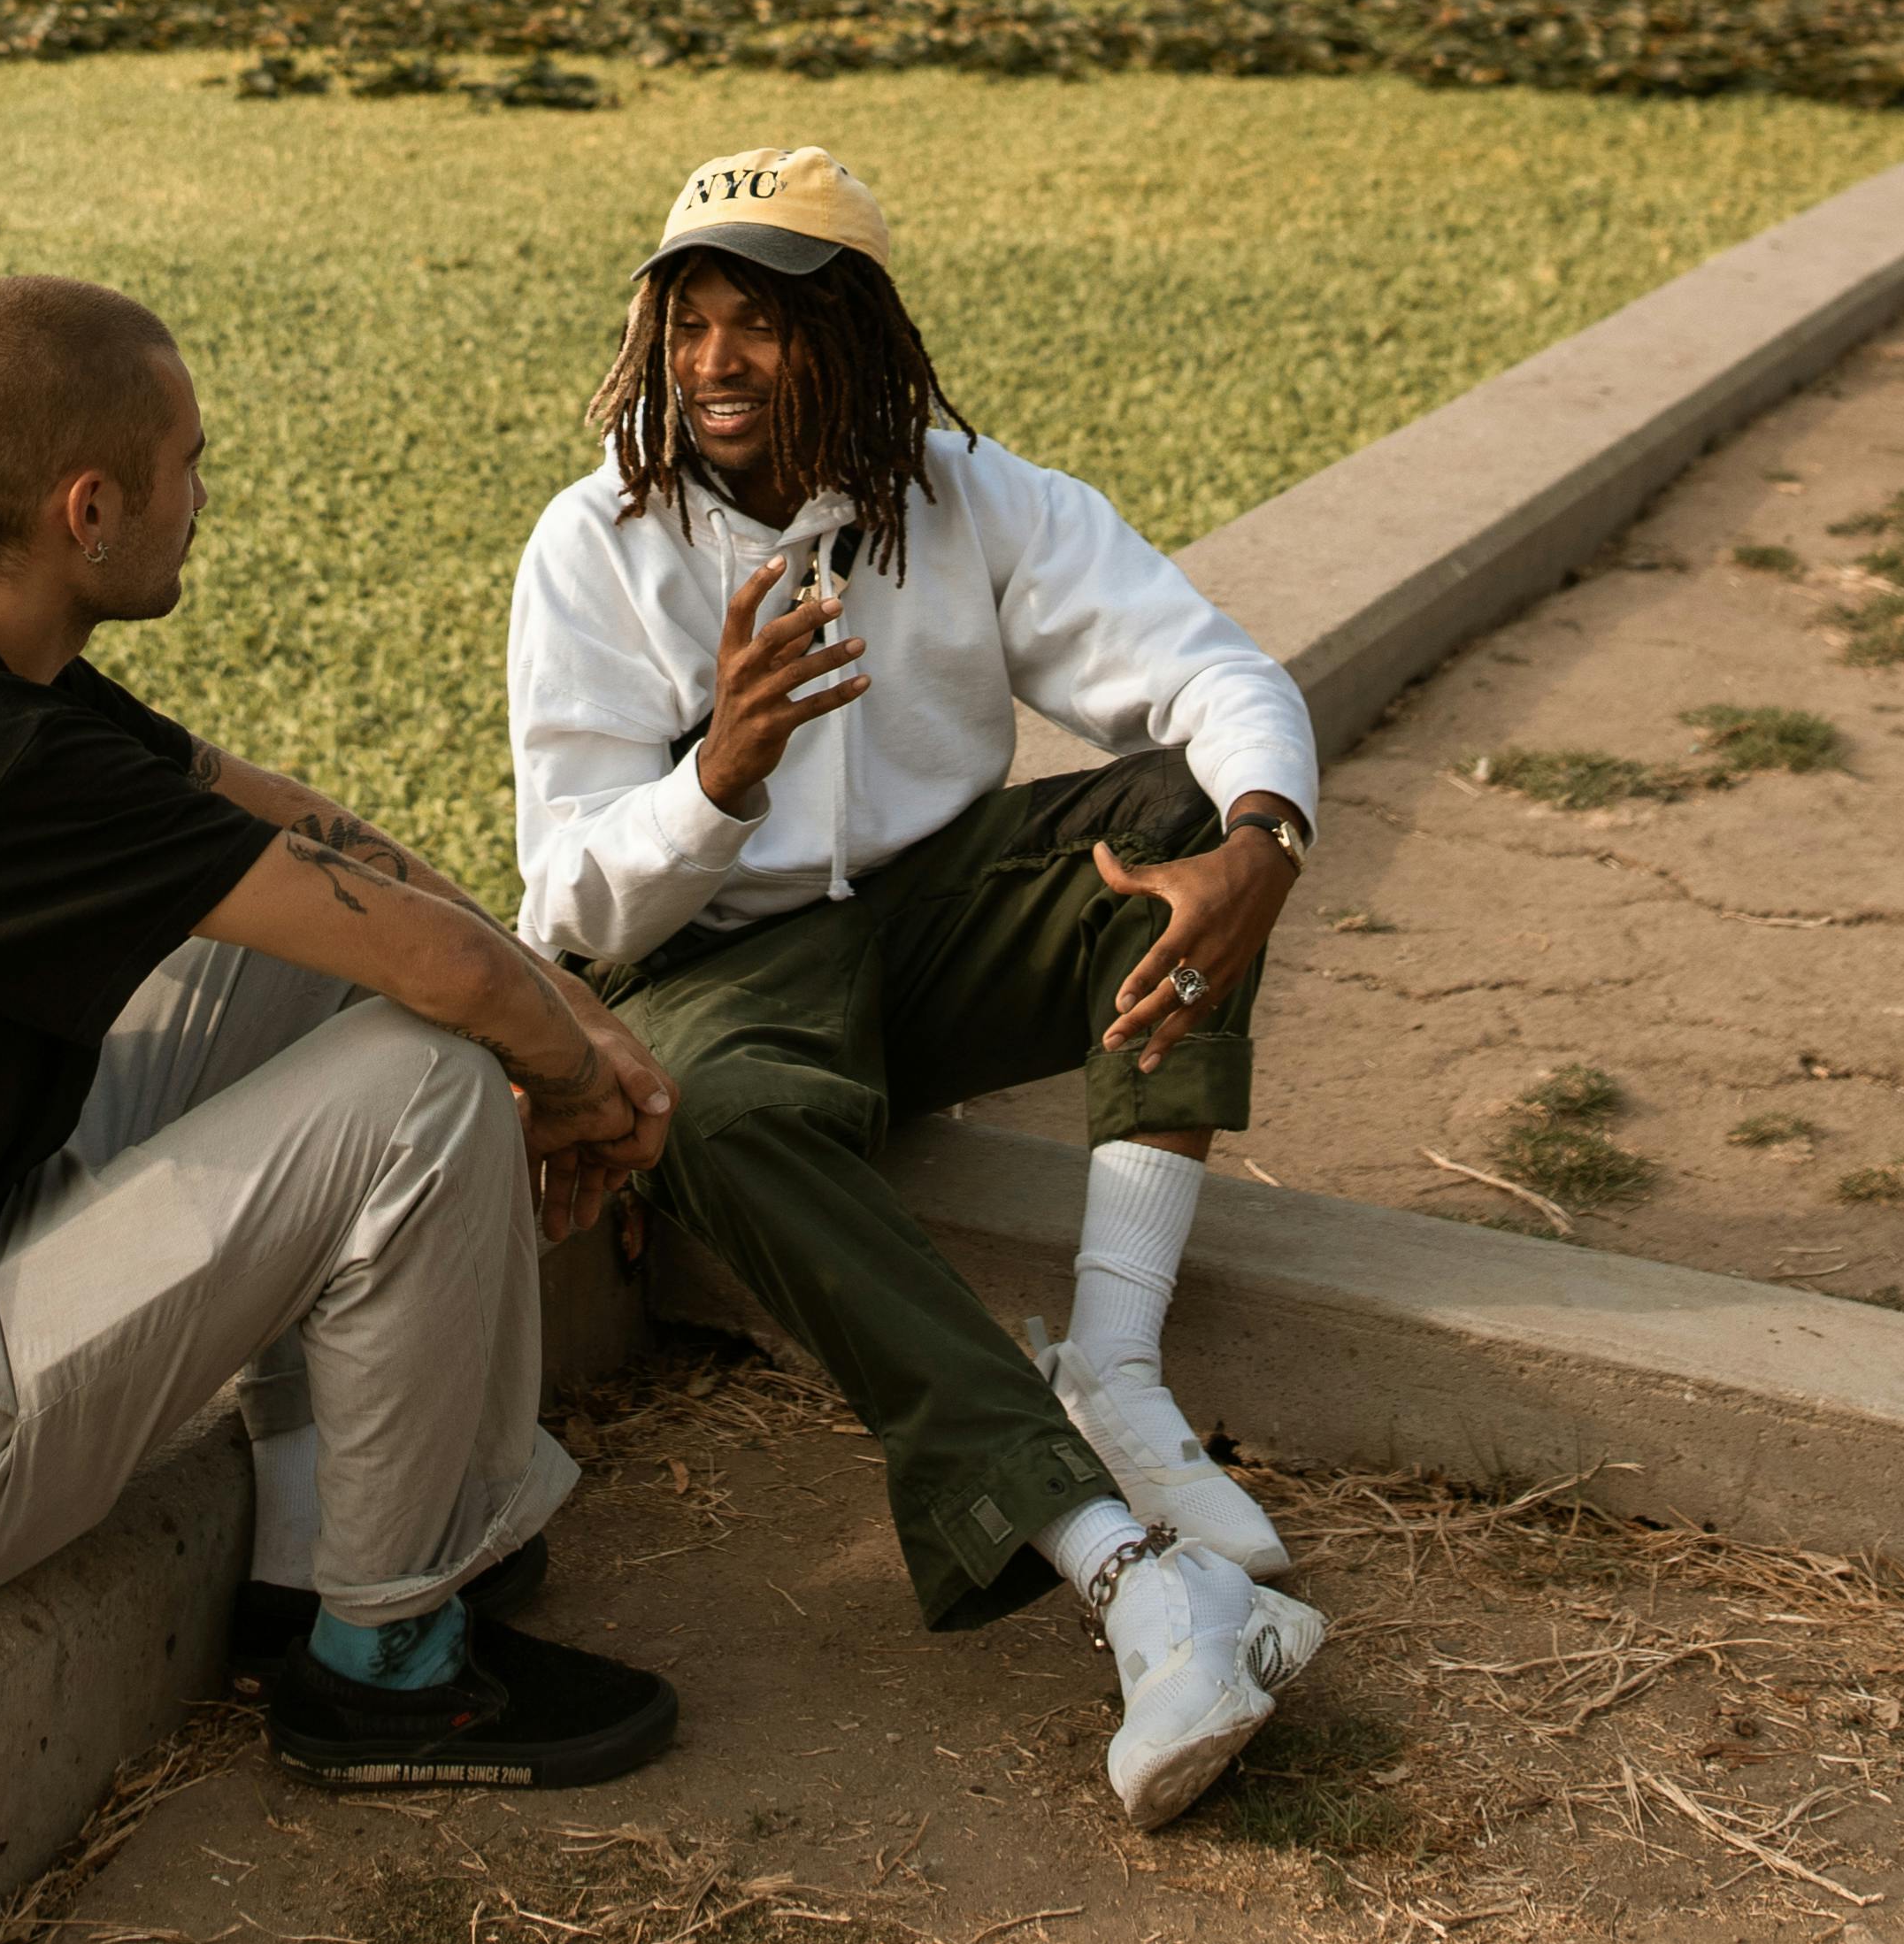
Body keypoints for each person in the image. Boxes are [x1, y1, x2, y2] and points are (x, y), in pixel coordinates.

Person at [0, 268, 687, 1790]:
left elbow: (296, 828)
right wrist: (576, 1084)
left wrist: (569, 1001)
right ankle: (384, 1669)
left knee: (334, 967)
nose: (203, 494)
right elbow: (447, 988)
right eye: (188, 461)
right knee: (425, 1082)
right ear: (89, 507)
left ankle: (317, 1526)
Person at [507, 144, 1324, 1829]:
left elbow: (1210, 668)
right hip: (720, 967)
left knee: (1179, 809)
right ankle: (1123, 1571)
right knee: (714, 1113)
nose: (714, 362)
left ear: (856, 341)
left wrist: (1259, 838)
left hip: (931, 923)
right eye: (689, 322)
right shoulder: (595, 548)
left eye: (762, 324)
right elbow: (568, 888)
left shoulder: (967, 493)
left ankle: (1111, 1363)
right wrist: (716, 777)